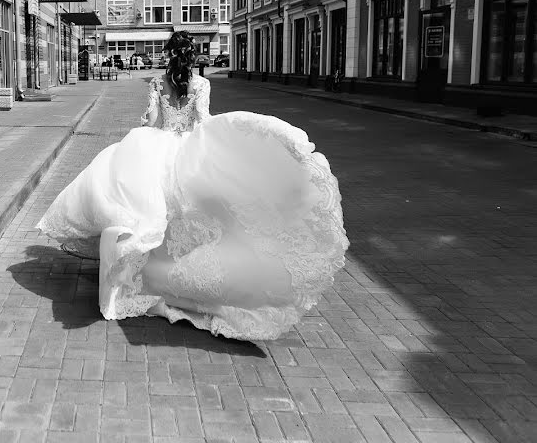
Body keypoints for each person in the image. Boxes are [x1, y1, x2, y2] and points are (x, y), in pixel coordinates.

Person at [37, 31, 349, 341]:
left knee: (153, 206)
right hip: (187, 149)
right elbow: (203, 120)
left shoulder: (158, 82)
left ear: (170, 53)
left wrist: (145, 121)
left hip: (157, 147)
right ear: (191, 55)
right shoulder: (202, 84)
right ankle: (177, 273)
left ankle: (147, 273)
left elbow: (154, 121)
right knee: (187, 209)